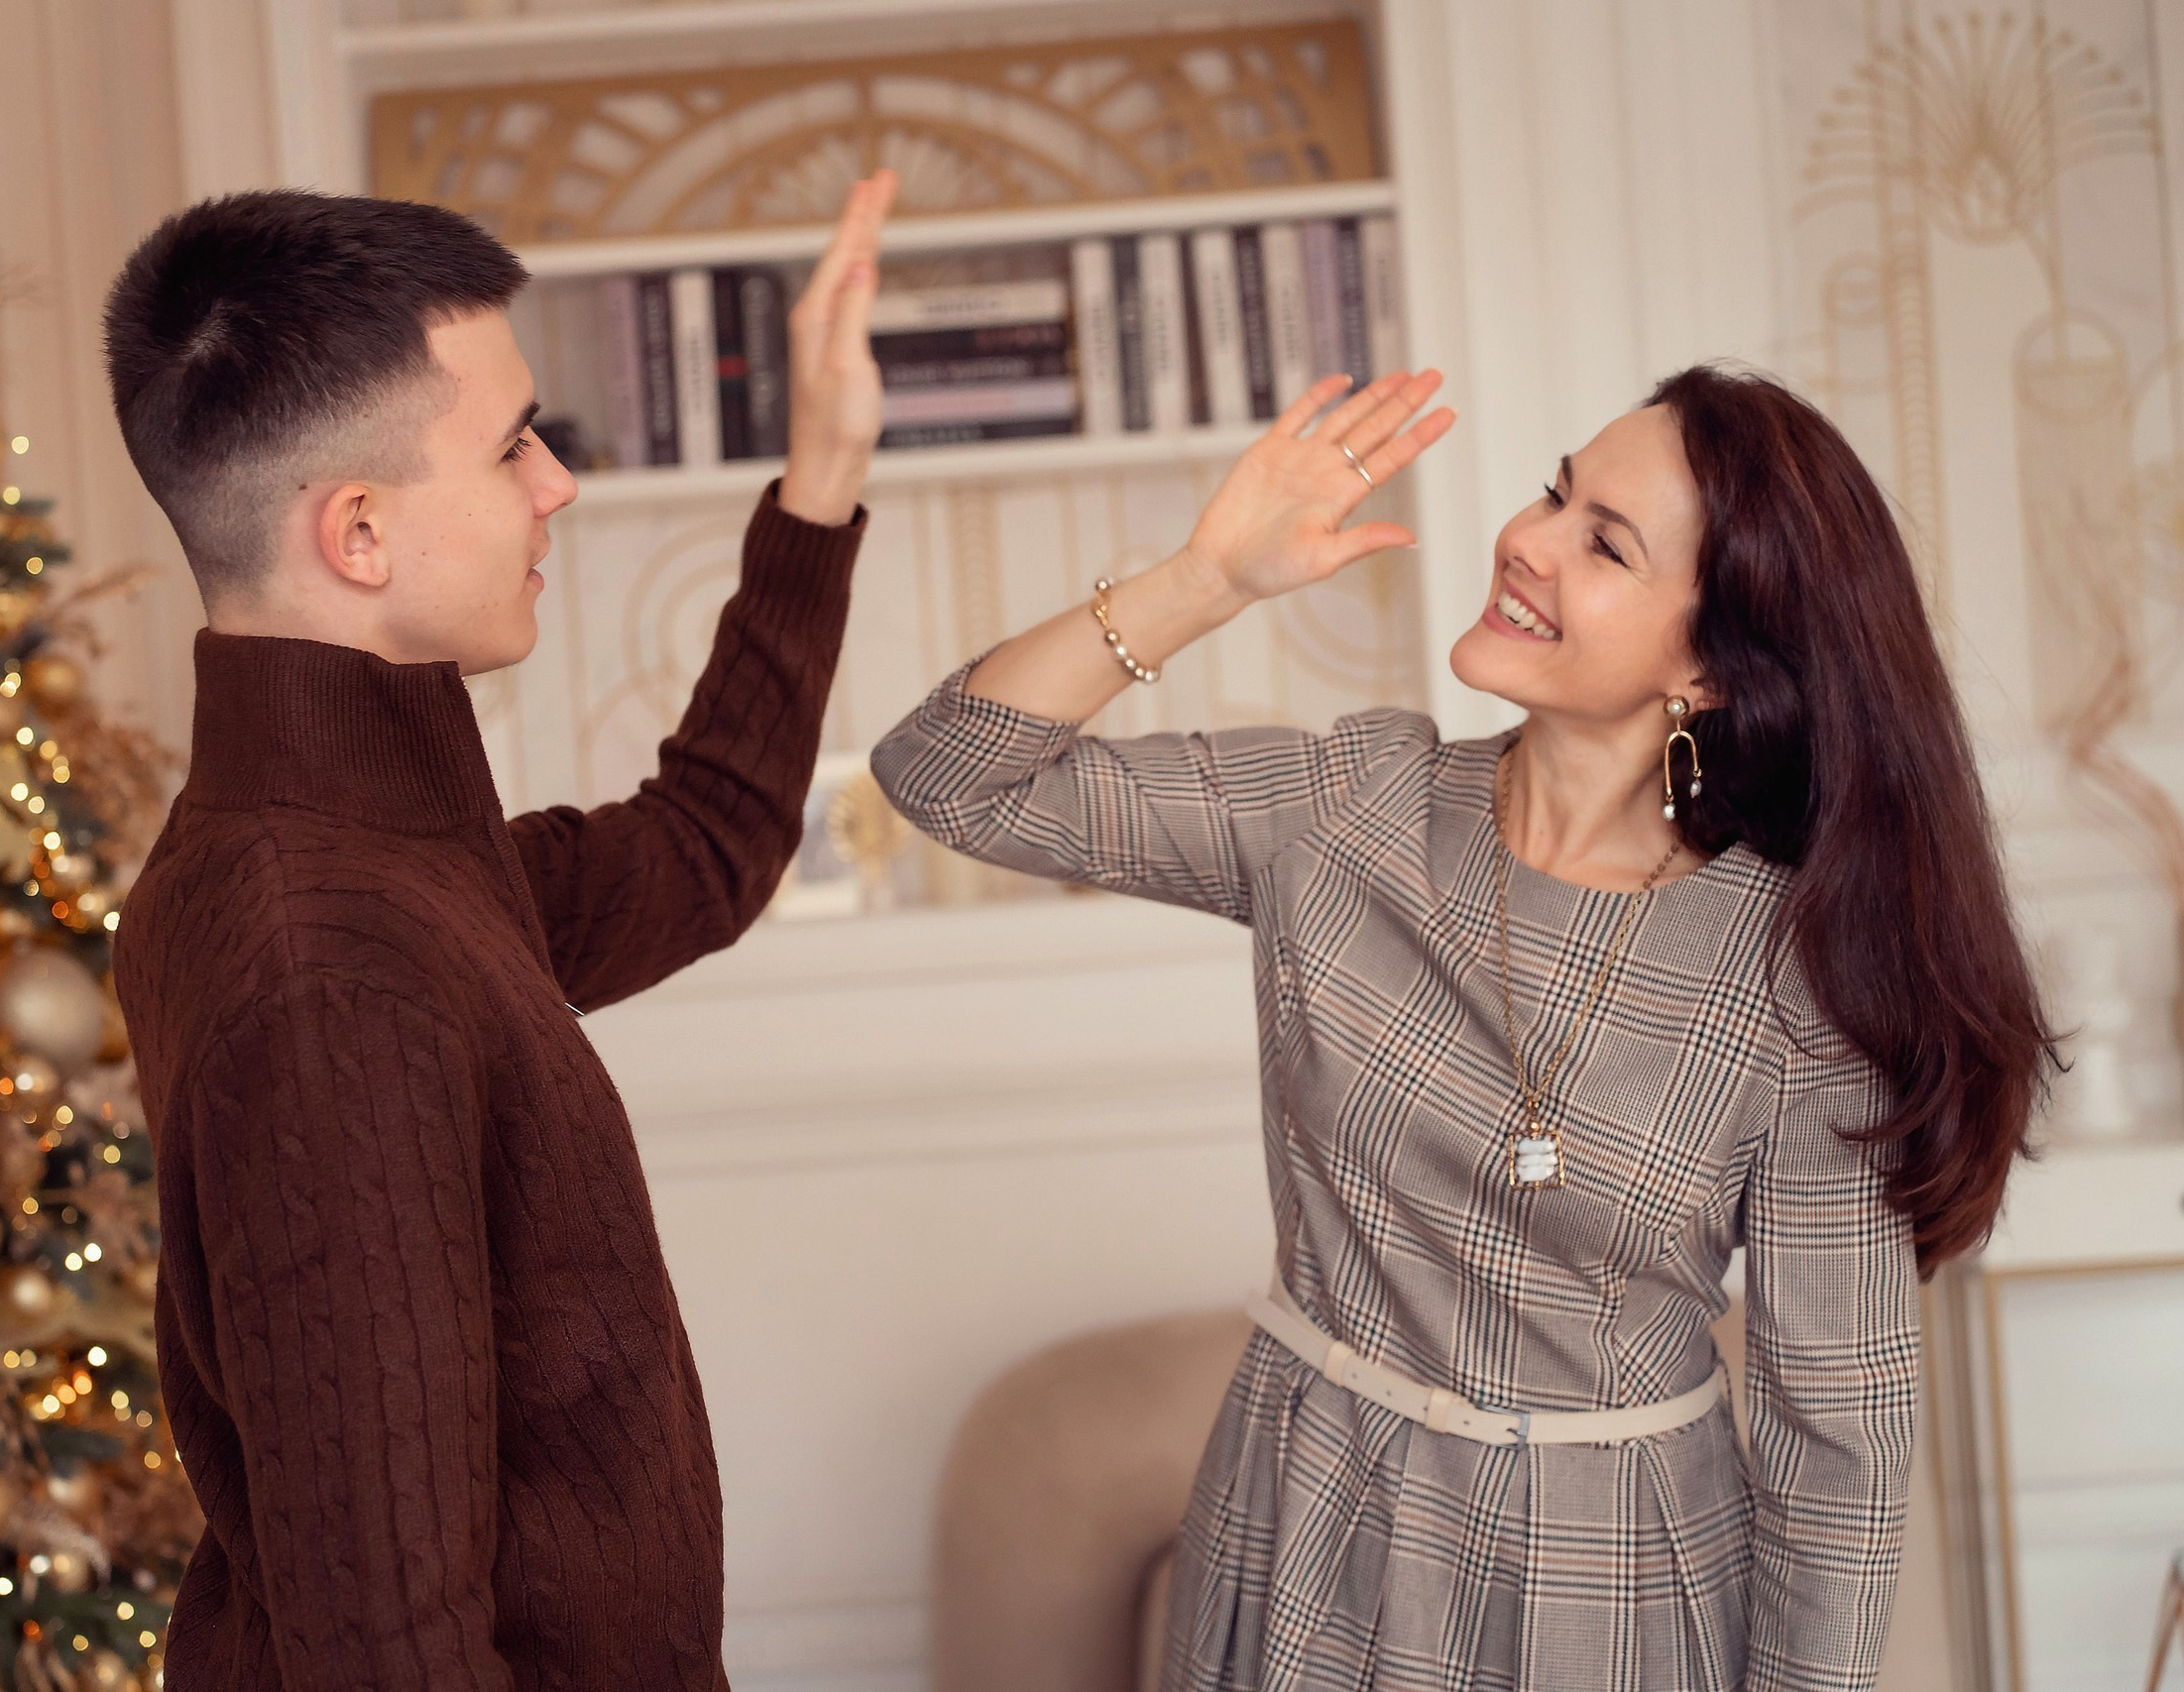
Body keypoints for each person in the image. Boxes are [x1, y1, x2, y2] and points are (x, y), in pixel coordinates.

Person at [871, 364, 2055, 1691]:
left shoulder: (1801, 982)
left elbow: (1838, 1443)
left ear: (1716, 667)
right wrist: (1209, 575)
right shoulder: (1345, 808)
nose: (1528, 541)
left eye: (1603, 543)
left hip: (1614, 1579)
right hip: (1300, 1509)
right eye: (1557, 492)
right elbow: (945, 774)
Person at [102, 172, 895, 1689]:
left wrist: (822, 475)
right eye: (512, 443)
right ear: (357, 532)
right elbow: (386, 1648)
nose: (557, 486)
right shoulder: (329, 967)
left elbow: (701, 850)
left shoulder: (360, 850)